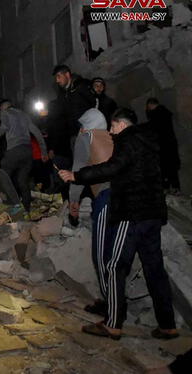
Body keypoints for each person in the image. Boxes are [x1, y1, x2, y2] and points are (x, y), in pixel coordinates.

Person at [59, 108, 178, 341]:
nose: (111, 133)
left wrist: (77, 176)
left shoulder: (126, 140)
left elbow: (113, 168)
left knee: (114, 266)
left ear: (121, 124)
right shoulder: (149, 142)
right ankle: (168, 325)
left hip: (131, 212)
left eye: (113, 128)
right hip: (153, 213)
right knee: (154, 268)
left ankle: (113, 323)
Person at [68, 109, 114, 317]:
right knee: (117, 253)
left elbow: (78, 172)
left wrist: (73, 202)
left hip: (107, 199)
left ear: (85, 125)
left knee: (102, 254)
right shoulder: (114, 136)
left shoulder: (86, 137)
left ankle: (110, 306)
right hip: (128, 197)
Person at [0, 100, 48, 213]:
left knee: (3, 177)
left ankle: (12, 206)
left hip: (14, 150)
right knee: (22, 181)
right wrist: (44, 152)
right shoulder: (24, 115)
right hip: (27, 151)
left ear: (3, 108)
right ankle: (26, 208)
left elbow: (4, 127)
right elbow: (37, 133)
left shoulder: (5, 113)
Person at [145, 98, 181, 195]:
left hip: (164, 146)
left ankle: (167, 187)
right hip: (170, 145)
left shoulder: (156, 115)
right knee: (171, 167)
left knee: (165, 167)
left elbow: (152, 128)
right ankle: (174, 187)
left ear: (150, 105)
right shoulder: (165, 113)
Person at [53, 65, 96, 137]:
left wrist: (89, 126)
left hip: (88, 132)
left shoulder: (82, 85)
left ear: (67, 74)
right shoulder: (62, 94)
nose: (57, 80)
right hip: (73, 135)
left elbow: (95, 104)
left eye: (59, 76)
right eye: (56, 78)